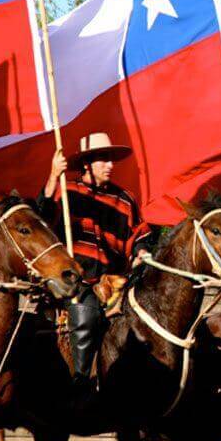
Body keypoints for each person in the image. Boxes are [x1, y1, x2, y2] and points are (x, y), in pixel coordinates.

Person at [40, 132, 152, 394]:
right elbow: (42, 219)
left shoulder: (125, 199)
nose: (111, 165)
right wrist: (54, 176)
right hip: (75, 281)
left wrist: (142, 251)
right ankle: (81, 381)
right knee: (86, 309)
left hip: (116, 281)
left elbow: (141, 234)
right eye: (104, 160)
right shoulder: (67, 192)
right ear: (87, 164)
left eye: (111, 159)